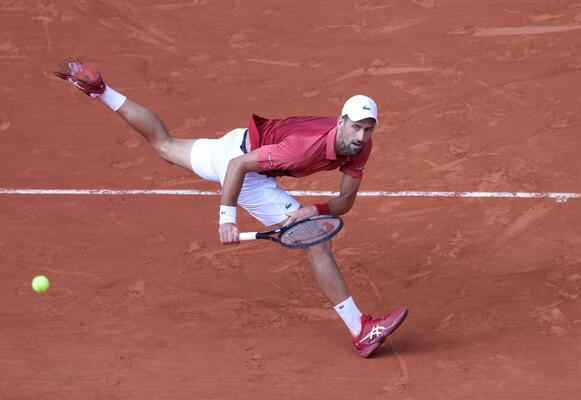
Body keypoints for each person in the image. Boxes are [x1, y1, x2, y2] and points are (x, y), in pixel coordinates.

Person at [53, 60, 408, 358]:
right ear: (341, 121)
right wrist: (227, 219)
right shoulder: (303, 149)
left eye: (368, 129)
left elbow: (344, 202)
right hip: (245, 167)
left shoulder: (361, 146)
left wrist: (310, 209)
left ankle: (101, 91)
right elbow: (238, 167)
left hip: (235, 143)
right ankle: (361, 330)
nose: (361, 137)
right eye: (356, 127)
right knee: (317, 241)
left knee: (165, 145)